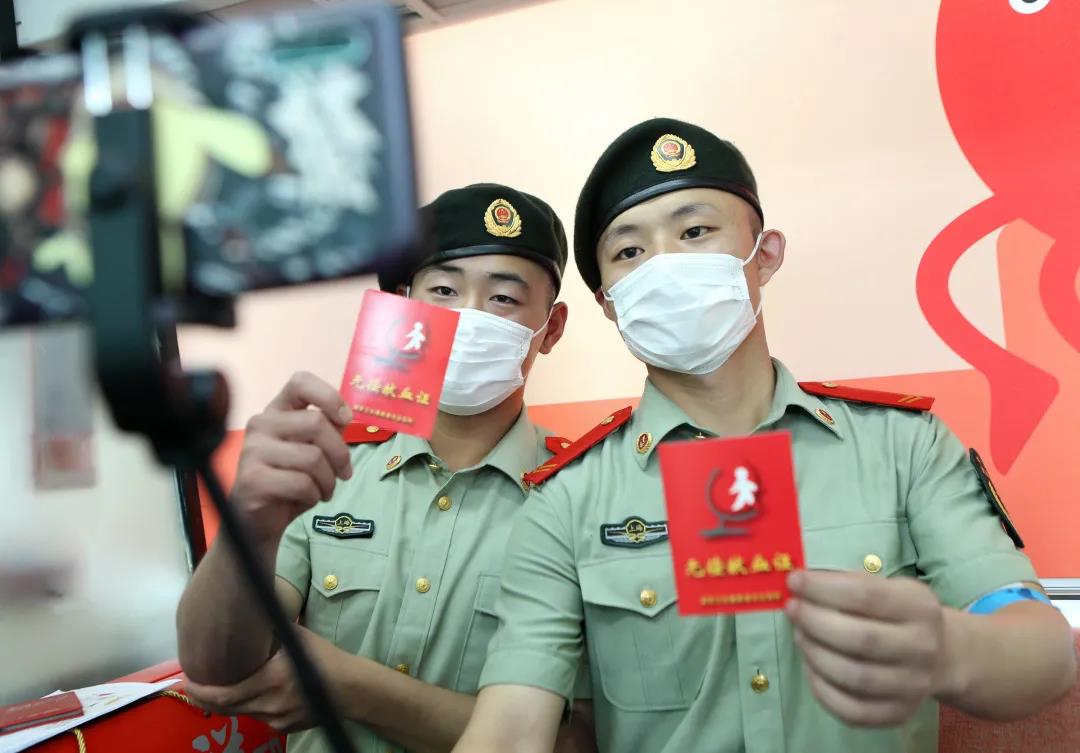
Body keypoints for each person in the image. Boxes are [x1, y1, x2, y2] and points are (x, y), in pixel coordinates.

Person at [452, 119, 1076, 753]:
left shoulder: (903, 447)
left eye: (695, 232)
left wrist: (951, 651)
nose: (664, 265)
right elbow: (513, 722)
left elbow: (1043, 653)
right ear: (610, 301)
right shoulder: (566, 497)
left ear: (765, 254)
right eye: (630, 252)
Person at [176, 183, 595, 753]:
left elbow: (575, 742)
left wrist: (352, 687)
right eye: (443, 290)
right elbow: (215, 668)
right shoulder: (326, 462)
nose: (468, 317)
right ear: (403, 310)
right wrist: (250, 524)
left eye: (503, 298)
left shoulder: (581, 493)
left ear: (552, 327)